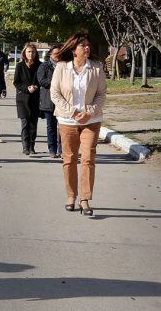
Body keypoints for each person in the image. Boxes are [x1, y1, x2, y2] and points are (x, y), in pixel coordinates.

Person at [50, 31, 106, 217]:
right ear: (74, 49)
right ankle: (71, 196)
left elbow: (101, 94)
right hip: (67, 120)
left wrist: (89, 111)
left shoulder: (96, 67)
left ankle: (85, 199)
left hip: (91, 120)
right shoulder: (61, 67)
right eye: (83, 46)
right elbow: (55, 94)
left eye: (88, 45)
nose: (87, 48)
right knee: (69, 159)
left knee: (88, 158)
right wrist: (73, 112)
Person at [14, 43, 41, 155]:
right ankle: (25, 147)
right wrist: (26, 88)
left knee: (33, 123)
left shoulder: (40, 65)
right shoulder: (20, 66)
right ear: (24, 53)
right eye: (29, 51)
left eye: (33, 52)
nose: (31, 54)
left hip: (35, 97)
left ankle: (32, 146)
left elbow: (41, 80)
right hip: (22, 98)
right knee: (25, 123)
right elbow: (16, 82)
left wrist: (36, 87)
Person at [37, 44, 62, 158]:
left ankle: (63, 149)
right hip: (49, 100)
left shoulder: (66, 65)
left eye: (59, 53)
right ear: (50, 54)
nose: (57, 55)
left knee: (63, 127)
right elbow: (42, 81)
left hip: (64, 101)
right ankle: (52, 149)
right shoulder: (44, 66)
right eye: (55, 53)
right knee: (51, 126)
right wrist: (57, 82)